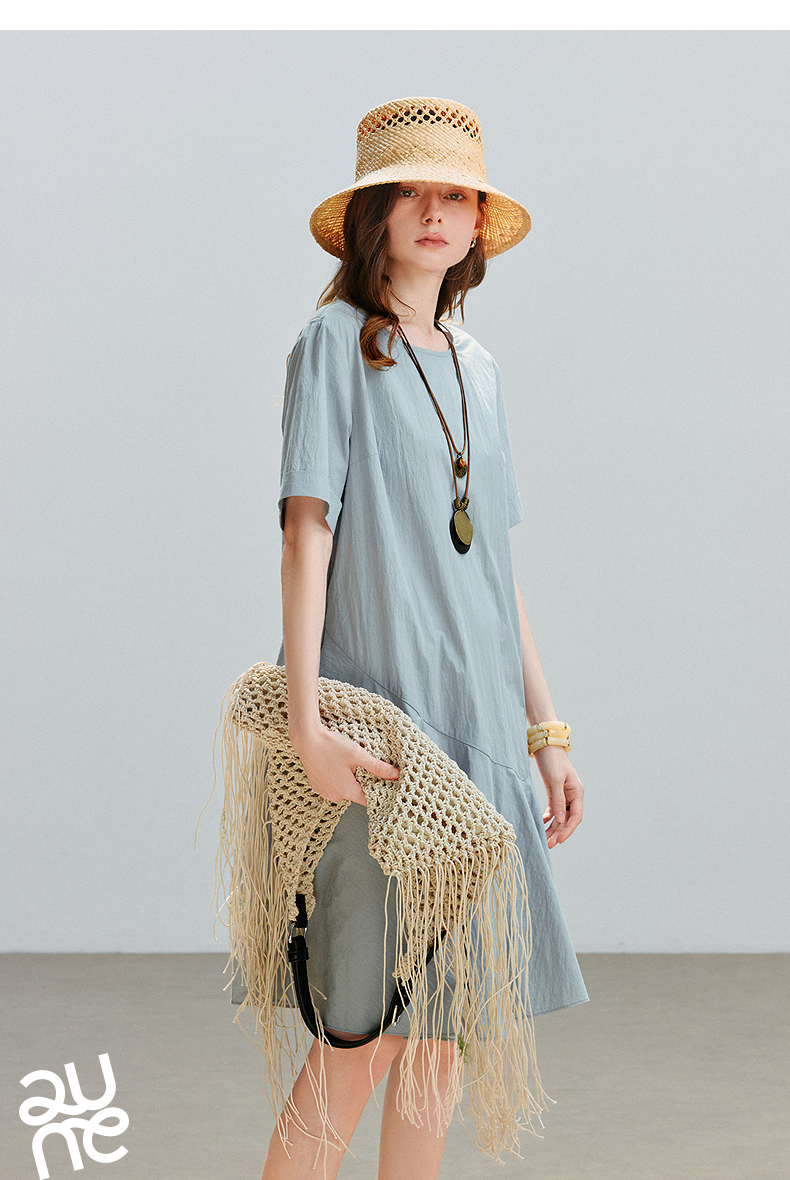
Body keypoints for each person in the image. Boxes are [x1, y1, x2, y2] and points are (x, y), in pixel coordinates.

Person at [260, 96, 589, 1180]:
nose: (435, 212)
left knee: (441, 1036)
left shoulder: (479, 368)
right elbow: (306, 532)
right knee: (360, 1035)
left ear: (479, 222)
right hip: (383, 732)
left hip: (480, 732)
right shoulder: (331, 345)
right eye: (411, 192)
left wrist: (545, 728)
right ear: (375, 217)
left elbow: (496, 568)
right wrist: (307, 721)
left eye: (456, 194)